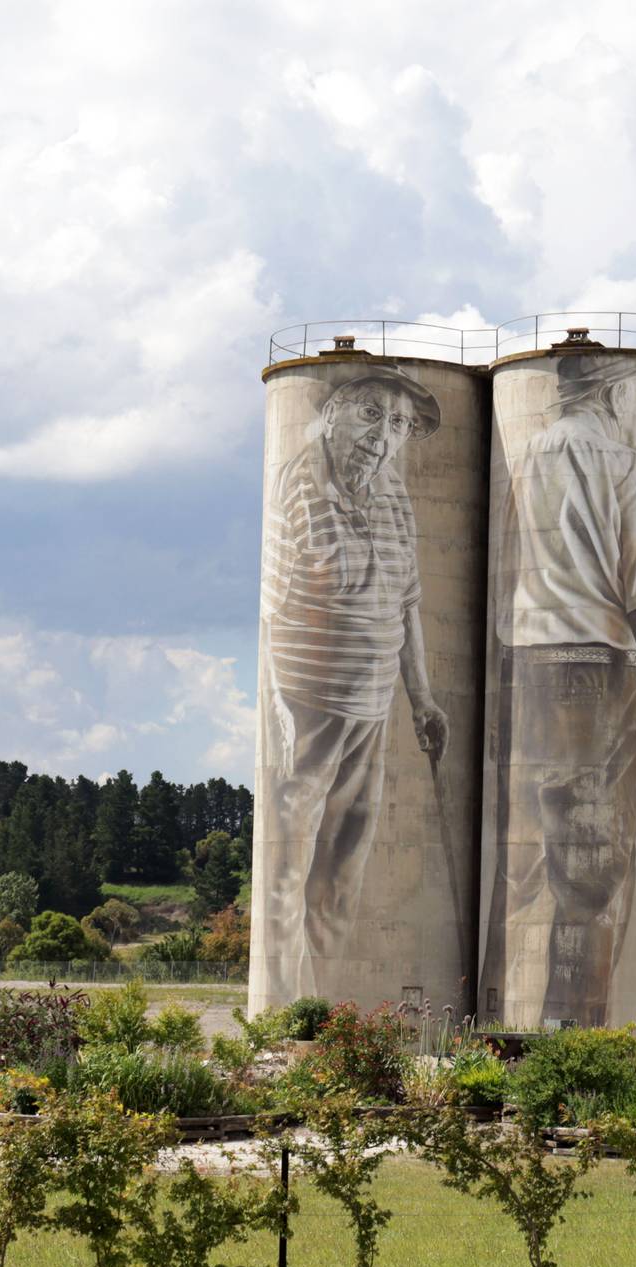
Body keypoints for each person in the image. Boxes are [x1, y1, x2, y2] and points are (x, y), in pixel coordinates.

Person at [481, 351, 636, 1027]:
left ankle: (495, 1033)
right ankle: (574, 1041)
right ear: (614, 392)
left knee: (517, 870)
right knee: (594, 878)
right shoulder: (625, 466)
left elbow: (500, 590)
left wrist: (495, 705)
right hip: (600, 677)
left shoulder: (526, 463)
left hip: (524, 674)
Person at [254, 370, 449, 1003]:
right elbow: (271, 609)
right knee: (288, 862)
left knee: (345, 866)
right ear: (333, 413)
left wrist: (421, 696)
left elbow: (407, 601)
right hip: (309, 706)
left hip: (372, 706)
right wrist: (279, 708)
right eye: (371, 415)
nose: (383, 436)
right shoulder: (298, 486)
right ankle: (284, 1013)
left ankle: (332, 1008)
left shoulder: (393, 492)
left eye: (396, 425)